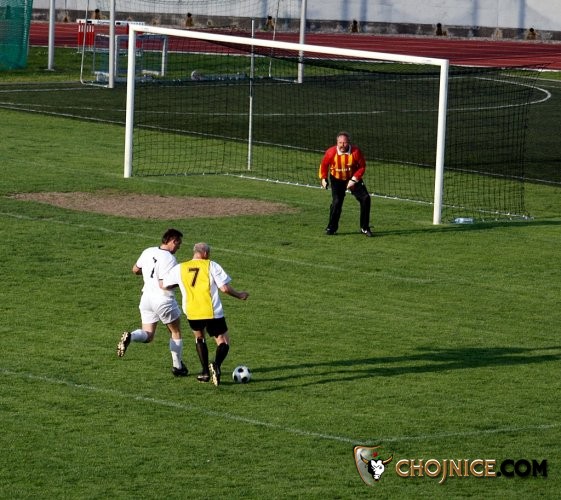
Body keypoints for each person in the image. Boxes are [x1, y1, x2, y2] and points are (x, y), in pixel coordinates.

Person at [162, 242, 249, 386]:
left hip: (192, 310)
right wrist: (240, 295)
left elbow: (165, 284)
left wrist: (182, 283)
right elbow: (224, 288)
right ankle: (216, 365)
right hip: (211, 310)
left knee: (199, 338)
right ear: (205, 253)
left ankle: (204, 373)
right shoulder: (211, 265)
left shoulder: (180, 268)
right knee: (223, 341)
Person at [117, 228, 188, 377]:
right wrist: (182, 283)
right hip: (163, 299)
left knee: (148, 335)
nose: (179, 247)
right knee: (175, 332)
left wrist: (149, 274)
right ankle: (178, 367)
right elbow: (164, 284)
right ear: (172, 241)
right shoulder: (170, 259)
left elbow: (135, 270)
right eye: (178, 244)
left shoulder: (148, 251)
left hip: (146, 299)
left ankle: (131, 336)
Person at [318, 131, 373, 237]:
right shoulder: (331, 152)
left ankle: (365, 228)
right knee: (337, 202)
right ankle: (331, 228)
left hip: (352, 179)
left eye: (345, 143)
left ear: (349, 142)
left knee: (365, 198)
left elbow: (362, 166)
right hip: (337, 180)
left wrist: (354, 179)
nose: (342, 145)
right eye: (340, 143)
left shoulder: (356, 152)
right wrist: (323, 178)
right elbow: (324, 165)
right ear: (337, 142)